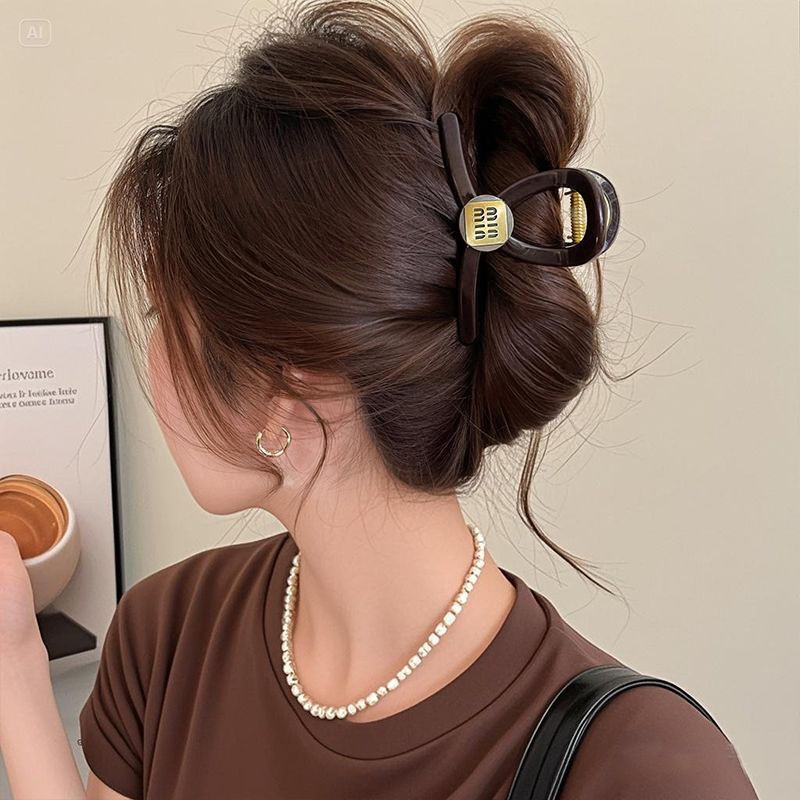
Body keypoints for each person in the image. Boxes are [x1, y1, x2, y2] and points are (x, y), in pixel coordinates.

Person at [0, 0, 760, 798]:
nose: (151, 357)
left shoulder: (647, 771)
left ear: (286, 384)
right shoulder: (170, 633)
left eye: (164, 316)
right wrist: (15, 663)